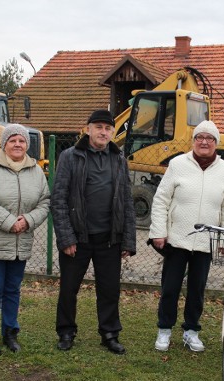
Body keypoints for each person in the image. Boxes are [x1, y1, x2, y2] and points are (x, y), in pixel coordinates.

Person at [51, 109, 136, 355]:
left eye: (108, 128)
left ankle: (109, 333)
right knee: (68, 288)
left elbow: (127, 201)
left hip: (109, 238)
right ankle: (66, 332)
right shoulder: (70, 157)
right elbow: (58, 199)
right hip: (77, 238)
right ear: (88, 129)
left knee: (109, 289)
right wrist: (66, 237)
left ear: (112, 132)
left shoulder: (119, 159)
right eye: (98, 127)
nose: (103, 132)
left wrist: (127, 240)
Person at [149, 120, 224, 352]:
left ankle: (191, 331)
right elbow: (161, 199)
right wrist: (159, 231)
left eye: (210, 138)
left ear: (216, 143)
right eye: (200, 137)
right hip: (177, 238)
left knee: (197, 290)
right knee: (170, 287)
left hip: (206, 242)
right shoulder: (178, 164)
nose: (204, 142)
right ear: (193, 141)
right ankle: (164, 330)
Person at [0, 124, 50, 356]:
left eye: (22, 141)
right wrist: (8, 221)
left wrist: (28, 220)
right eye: (13, 140)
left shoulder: (35, 171)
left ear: (27, 145)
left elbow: (45, 202)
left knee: (13, 290)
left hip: (20, 242)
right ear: (4, 144)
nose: (17, 144)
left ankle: (10, 333)